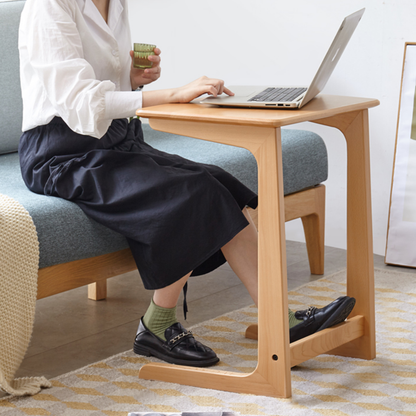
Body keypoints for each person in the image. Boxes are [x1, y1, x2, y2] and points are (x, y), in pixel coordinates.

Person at [18, 0, 356, 368]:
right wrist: (171, 94)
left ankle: (279, 318)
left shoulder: (115, 3)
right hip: (64, 155)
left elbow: (103, 88)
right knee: (195, 193)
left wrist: (133, 78)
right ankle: (157, 325)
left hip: (117, 139)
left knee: (220, 183)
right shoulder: (48, 6)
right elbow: (78, 100)